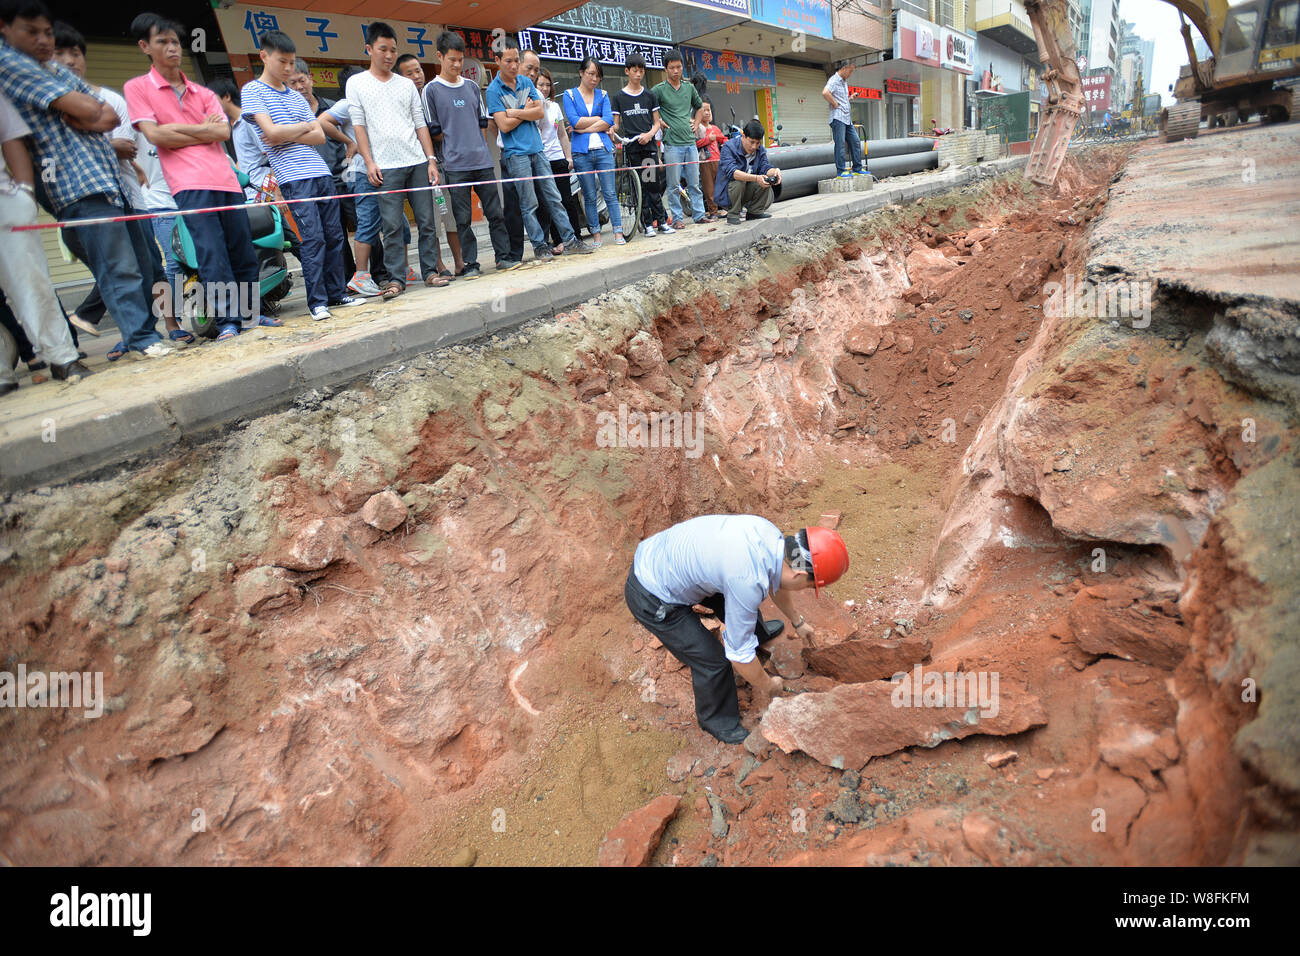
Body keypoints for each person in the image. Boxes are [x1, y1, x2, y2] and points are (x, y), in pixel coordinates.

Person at [0, 0, 173, 359]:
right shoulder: (10, 64)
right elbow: (89, 109)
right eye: (31, 32)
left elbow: (103, 113)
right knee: (118, 267)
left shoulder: (49, 68)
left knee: (143, 264)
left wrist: (81, 111)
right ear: (5, 28)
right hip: (73, 183)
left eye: (47, 32)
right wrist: (82, 111)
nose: (44, 41)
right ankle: (141, 339)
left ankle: (142, 335)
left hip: (109, 180)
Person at [624, 516, 849, 744]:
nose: (806, 590)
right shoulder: (747, 578)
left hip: (668, 559)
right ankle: (716, 721)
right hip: (651, 593)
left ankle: (755, 636)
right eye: (810, 586)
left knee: (742, 600)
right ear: (800, 575)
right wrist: (769, 686)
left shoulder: (770, 536)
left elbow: (776, 580)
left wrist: (797, 622)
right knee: (714, 661)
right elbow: (738, 656)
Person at [126, 13, 268, 343]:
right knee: (211, 254)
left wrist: (176, 129)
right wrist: (200, 131)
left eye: (175, 41)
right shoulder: (139, 88)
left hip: (227, 181)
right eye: (162, 42)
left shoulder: (202, 91)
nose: (172, 48)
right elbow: (155, 136)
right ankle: (227, 321)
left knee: (242, 251)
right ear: (145, 46)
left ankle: (250, 315)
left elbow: (221, 131)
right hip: (188, 185)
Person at [53, 21, 190, 346]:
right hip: (78, 202)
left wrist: (80, 138)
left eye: (75, 52)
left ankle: (166, 326)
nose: (70, 60)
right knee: (116, 271)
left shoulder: (110, 100)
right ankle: (135, 335)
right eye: (61, 53)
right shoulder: (46, 106)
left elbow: (126, 147)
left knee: (151, 268)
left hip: (130, 199)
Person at [241, 30, 359, 321]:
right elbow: (270, 133)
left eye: (292, 63)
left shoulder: (295, 97)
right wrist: (300, 128)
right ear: (264, 57)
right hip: (294, 178)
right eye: (282, 61)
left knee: (335, 236)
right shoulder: (252, 91)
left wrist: (288, 132)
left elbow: (319, 136)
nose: (288, 68)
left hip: (320, 173)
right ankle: (317, 301)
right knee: (312, 240)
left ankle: (337, 293)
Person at [347, 21, 445, 299]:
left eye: (393, 50)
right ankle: (395, 280)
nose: (389, 55)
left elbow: (419, 124)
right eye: (382, 49)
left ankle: (430, 272)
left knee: (427, 221)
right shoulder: (357, 83)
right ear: (369, 49)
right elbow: (359, 126)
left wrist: (430, 159)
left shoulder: (405, 85)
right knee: (391, 226)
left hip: (416, 161)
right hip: (384, 166)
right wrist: (369, 161)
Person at [0, 88, 88, 390]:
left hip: (4, 203)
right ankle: (2, 372)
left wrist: (25, 190)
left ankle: (63, 357)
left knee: (31, 282)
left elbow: (11, 137)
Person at [485, 36, 595, 263]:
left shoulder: (525, 83)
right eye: (508, 61)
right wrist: (523, 110)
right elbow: (502, 126)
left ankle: (570, 240)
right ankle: (539, 245)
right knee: (528, 203)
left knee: (554, 198)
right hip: (515, 154)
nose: (514, 66)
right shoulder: (493, 90)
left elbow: (539, 113)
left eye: (516, 60)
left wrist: (514, 112)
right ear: (497, 61)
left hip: (538, 149)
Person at [422, 30, 515, 277]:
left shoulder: (473, 87)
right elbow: (434, 130)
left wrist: (479, 148)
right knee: (462, 219)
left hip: (482, 161)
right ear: (440, 57)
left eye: (460, 59)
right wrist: (454, 145)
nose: (456, 64)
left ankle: (503, 257)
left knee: (495, 212)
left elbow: (482, 124)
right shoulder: (430, 90)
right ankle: (470, 265)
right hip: (454, 165)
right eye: (451, 59)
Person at [318, 64, 398, 295]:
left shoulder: (368, 103)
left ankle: (399, 269)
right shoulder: (347, 104)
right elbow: (323, 122)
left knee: (396, 221)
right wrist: (349, 142)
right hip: (363, 173)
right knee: (368, 222)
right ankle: (361, 275)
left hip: (381, 170)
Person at [289, 57, 357, 281]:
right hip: (319, 182)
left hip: (347, 176)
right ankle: (347, 278)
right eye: (293, 84)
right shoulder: (291, 117)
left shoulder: (332, 107)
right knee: (335, 234)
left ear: (310, 78)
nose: (300, 87)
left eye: (302, 80)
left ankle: (376, 273)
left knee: (364, 227)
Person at [397, 52, 462, 279]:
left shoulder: (432, 94)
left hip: (447, 163)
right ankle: (438, 265)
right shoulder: (402, 103)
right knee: (430, 220)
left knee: (450, 214)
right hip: (422, 167)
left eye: (418, 71)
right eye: (409, 73)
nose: (416, 76)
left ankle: (460, 261)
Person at [562, 56, 623, 247]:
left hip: (604, 149)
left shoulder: (603, 95)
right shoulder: (569, 95)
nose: (594, 79)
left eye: (597, 75)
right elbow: (574, 121)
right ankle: (596, 234)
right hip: (582, 152)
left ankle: (618, 232)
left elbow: (609, 120)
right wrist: (597, 121)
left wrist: (585, 128)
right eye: (590, 74)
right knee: (588, 195)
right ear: (581, 73)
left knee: (610, 193)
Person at [651, 49, 711, 229]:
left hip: (690, 143)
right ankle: (677, 219)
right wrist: (658, 121)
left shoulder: (689, 87)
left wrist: (697, 122)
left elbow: (699, 107)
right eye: (672, 68)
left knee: (694, 183)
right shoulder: (658, 90)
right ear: (666, 69)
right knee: (674, 185)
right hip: (671, 144)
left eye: (678, 67)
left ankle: (699, 215)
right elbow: (649, 109)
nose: (676, 71)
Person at [612, 52, 668, 238]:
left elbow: (657, 122)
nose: (638, 74)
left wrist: (649, 135)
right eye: (635, 70)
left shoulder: (649, 96)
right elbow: (616, 124)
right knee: (640, 189)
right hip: (633, 148)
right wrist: (612, 131)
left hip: (649, 148)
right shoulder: (619, 97)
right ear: (627, 71)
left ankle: (661, 222)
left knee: (652, 185)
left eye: (641, 71)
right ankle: (647, 224)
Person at [534, 67, 582, 254]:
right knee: (548, 203)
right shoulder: (533, 105)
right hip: (542, 160)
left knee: (566, 200)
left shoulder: (554, 106)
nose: (545, 88)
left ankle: (575, 237)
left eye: (547, 85)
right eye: (541, 84)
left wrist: (568, 156)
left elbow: (562, 134)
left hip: (558, 158)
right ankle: (558, 240)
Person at [716, 119, 781, 225]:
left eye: (758, 143)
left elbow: (765, 166)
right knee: (739, 180)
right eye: (751, 142)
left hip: (744, 191)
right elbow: (733, 173)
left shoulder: (760, 150)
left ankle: (755, 212)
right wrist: (756, 178)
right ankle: (733, 214)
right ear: (743, 136)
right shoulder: (729, 148)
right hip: (726, 194)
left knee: (765, 179)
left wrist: (774, 171)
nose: (754, 146)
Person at [823, 60, 865, 178]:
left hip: (847, 118)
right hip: (838, 118)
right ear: (844, 68)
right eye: (850, 71)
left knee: (855, 141)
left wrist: (850, 98)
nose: (850, 74)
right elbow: (825, 93)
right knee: (840, 144)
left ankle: (857, 168)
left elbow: (842, 99)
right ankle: (841, 171)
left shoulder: (844, 82)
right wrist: (835, 104)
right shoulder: (834, 80)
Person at [694, 101, 726, 218]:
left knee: (722, 185)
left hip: (718, 161)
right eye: (704, 110)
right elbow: (695, 144)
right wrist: (709, 139)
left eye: (709, 110)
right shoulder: (696, 128)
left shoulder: (715, 128)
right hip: (705, 162)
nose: (707, 113)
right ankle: (713, 211)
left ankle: (725, 208)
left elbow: (723, 139)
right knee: (709, 188)